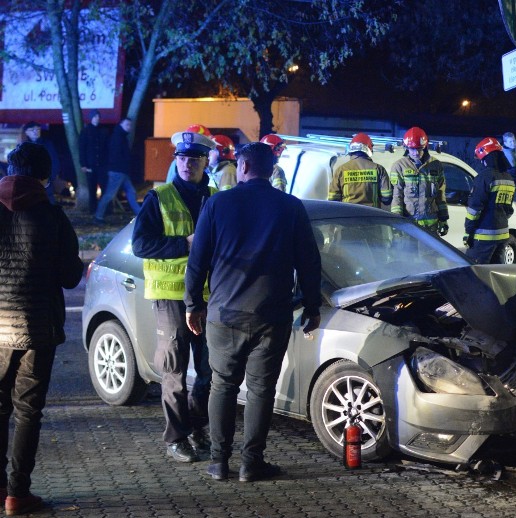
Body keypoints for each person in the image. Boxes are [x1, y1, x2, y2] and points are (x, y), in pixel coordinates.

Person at [184, 142, 322, 482]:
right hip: (270, 314)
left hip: (224, 313)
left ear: (242, 167)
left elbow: (197, 261)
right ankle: (251, 463)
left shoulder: (217, 204)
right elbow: (309, 261)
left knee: (223, 385)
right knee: (261, 390)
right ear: (272, 169)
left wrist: (192, 305)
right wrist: (312, 306)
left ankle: (218, 462)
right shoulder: (290, 207)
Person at [0, 142, 84, 516]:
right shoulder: (51, 217)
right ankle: (18, 494)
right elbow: (69, 277)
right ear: (45, 177)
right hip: (36, 328)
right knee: (28, 412)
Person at [131, 130, 217, 464]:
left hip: (208, 295)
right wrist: (185, 244)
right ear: (176, 160)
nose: (187, 164)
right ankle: (176, 437)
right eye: (182, 158)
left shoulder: (215, 196)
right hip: (171, 296)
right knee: (174, 371)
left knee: (209, 373)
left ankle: (197, 428)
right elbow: (141, 245)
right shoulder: (160, 197)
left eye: (194, 159)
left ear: (205, 161)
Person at [389, 126, 449, 236]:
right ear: (406, 147)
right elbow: (397, 196)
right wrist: (396, 221)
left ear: (425, 147)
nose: (415, 153)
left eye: (419, 149)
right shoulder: (399, 166)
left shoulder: (436, 165)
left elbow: (440, 194)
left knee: (430, 254)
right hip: (408, 226)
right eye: (412, 149)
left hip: (431, 227)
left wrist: (444, 218)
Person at [464, 137, 516, 263]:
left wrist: (469, 230)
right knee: (496, 272)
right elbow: (509, 210)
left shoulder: (484, 177)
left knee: (475, 271)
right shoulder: (509, 178)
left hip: (484, 236)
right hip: (503, 235)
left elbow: (475, 208)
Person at [93, 117, 142, 223]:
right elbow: (116, 155)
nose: (129, 127)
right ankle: (98, 216)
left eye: (130, 125)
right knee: (110, 195)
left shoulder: (120, 136)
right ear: (121, 125)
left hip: (120, 171)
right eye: (127, 125)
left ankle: (141, 215)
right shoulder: (118, 137)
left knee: (130, 192)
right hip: (117, 171)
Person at [327, 133, 391, 207]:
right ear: (369, 148)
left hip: (348, 215)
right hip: (372, 215)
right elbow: (387, 199)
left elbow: (333, 199)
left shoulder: (341, 170)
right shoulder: (379, 169)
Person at [20, 122, 61, 205]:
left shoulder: (47, 144)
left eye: (38, 129)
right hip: (29, 180)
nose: (36, 131)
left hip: (45, 179)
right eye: (32, 130)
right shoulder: (23, 146)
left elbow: (55, 161)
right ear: (26, 132)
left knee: (48, 201)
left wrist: (50, 177)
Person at [79, 110, 108, 214]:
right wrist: (83, 164)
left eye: (98, 116)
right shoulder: (85, 131)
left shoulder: (103, 131)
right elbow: (82, 149)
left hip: (101, 165)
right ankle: (93, 210)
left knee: (104, 188)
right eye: (95, 117)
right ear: (91, 118)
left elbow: (106, 148)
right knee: (92, 190)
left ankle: (104, 210)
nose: (97, 118)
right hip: (90, 166)